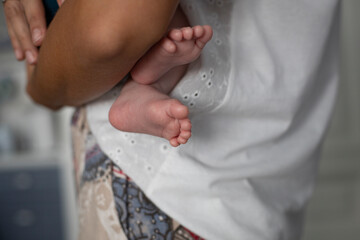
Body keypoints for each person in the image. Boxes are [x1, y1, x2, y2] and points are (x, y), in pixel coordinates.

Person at [3, 0, 341, 239]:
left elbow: (109, 33)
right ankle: (145, 85)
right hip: (261, 186)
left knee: (174, 33)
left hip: (172, 188)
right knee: (177, 35)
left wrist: (39, 88)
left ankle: (143, 86)